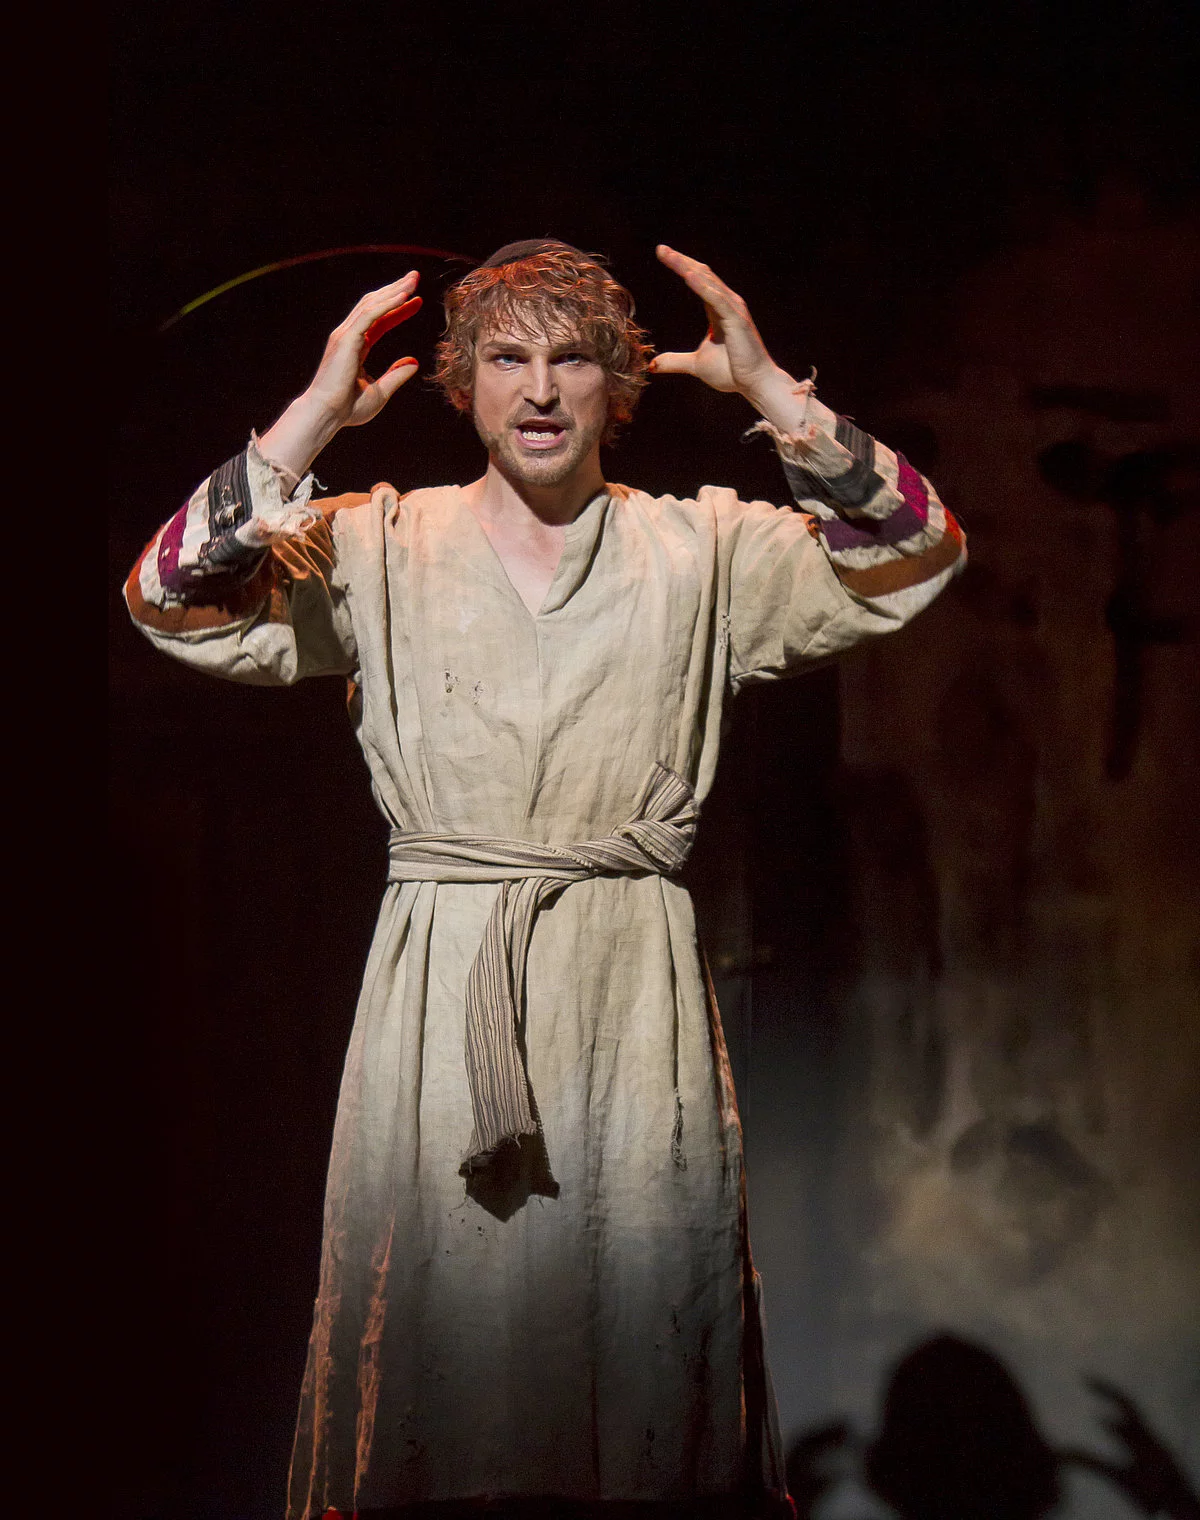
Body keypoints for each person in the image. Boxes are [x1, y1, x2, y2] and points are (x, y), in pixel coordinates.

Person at [125, 240, 965, 1520]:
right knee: (437, 1344)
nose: (538, 388)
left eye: (572, 359)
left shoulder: (702, 548)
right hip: (442, 993)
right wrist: (310, 418)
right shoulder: (378, 544)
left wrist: (775, 396)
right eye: (507, 357)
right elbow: (167, 596)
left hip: (629, 1001)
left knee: (639, 1337)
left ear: (617, 383)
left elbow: (917, 549)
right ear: (460, 382)